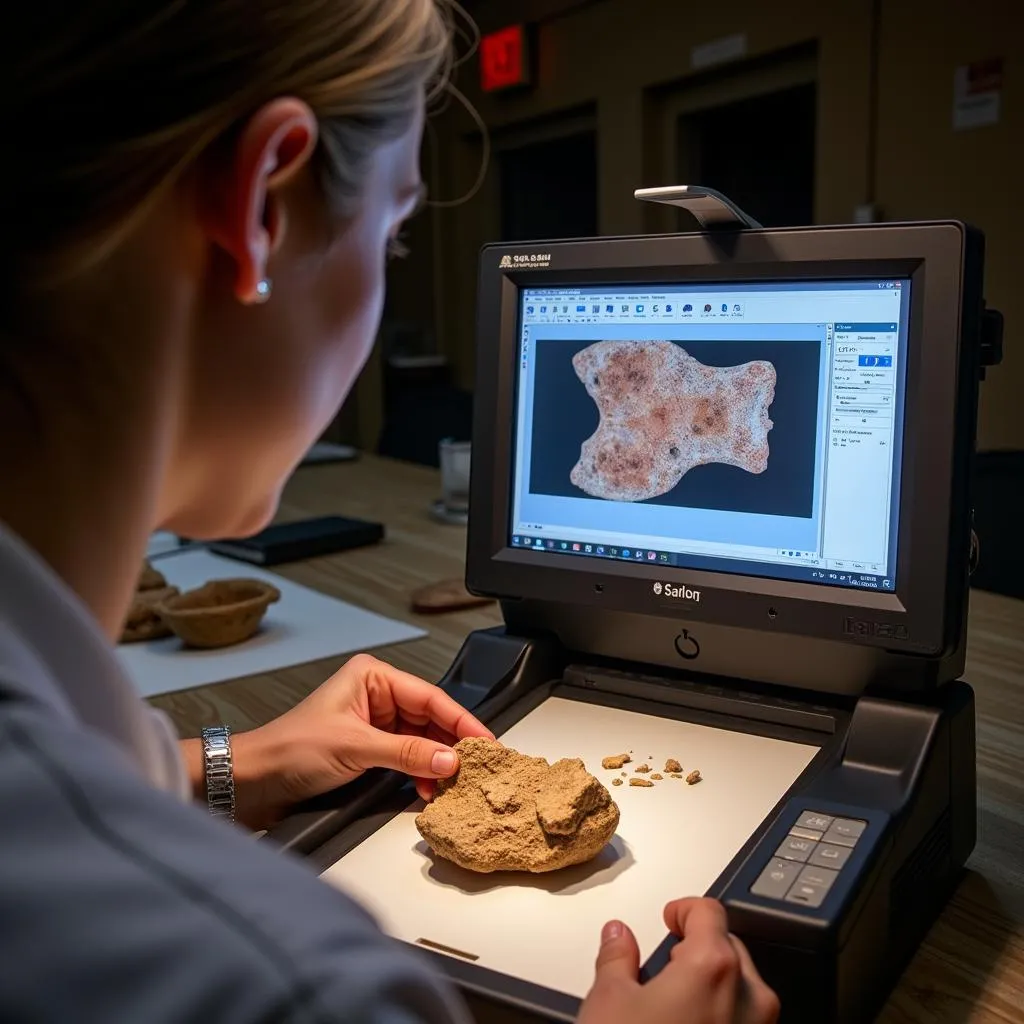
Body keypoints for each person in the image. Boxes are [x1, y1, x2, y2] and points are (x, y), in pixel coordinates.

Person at [0, 1, 780, 1021]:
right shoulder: (288, 986)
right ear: (261, 208)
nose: (386, 269)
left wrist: (238, 766)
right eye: (394, 232)